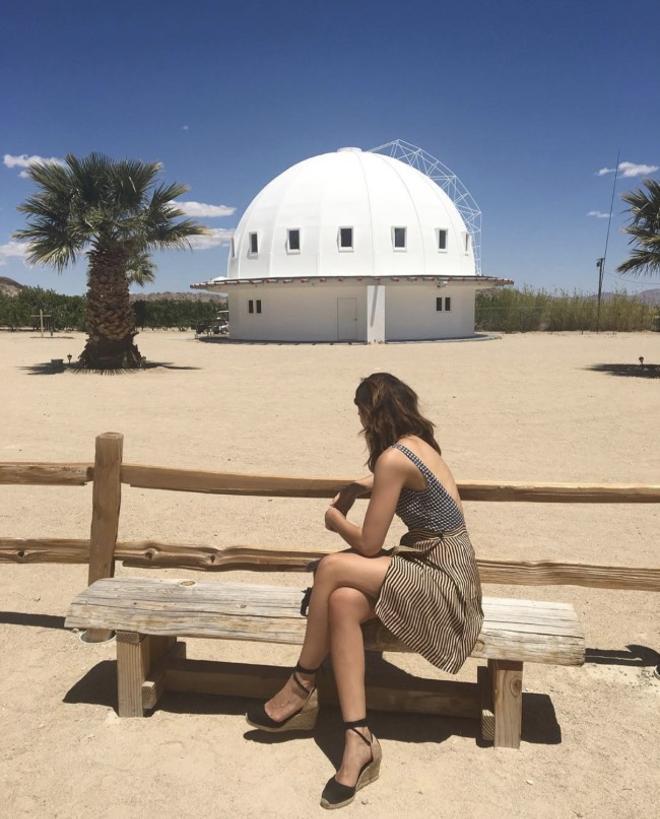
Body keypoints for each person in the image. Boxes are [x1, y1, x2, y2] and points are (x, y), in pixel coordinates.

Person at [246, 372, 484, 810]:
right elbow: (403, 483)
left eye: (360, 414)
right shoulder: (418, 443)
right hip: (437, 562)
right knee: (341, 600)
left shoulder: (394, 458)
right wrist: (363, 485)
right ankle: (359, 737)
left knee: (333, 565)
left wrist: (335, 519)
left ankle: (301, 685)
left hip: (442, 575)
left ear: (372, 414)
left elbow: (370, 545)